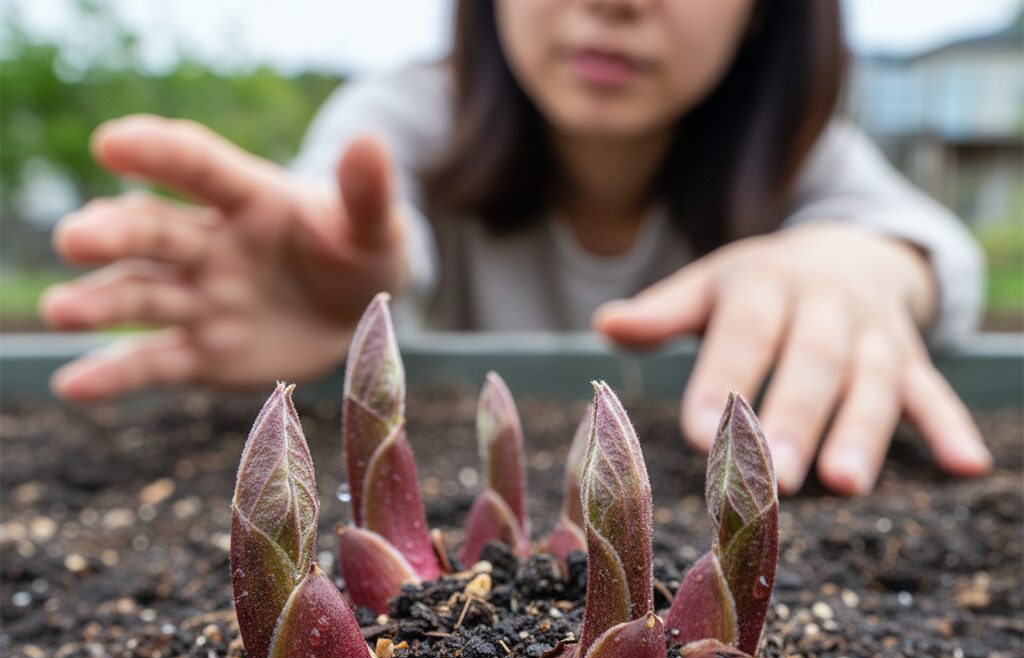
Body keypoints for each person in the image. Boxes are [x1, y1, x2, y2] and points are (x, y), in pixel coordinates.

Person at [40, 0, 992, 496]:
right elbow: (359, 211)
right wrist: (350, 276)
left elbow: (924, 245)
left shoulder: (804, 159)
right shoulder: (408, 113)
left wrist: (867, 265)